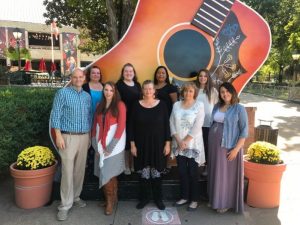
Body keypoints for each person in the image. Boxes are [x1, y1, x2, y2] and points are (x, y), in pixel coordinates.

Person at [51, 68, 92, 221]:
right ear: (71, 78)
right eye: (75, 77)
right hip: (67, 137)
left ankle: (75, 197)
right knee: (67, 172)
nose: (78, 79)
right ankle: (65, 205)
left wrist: (89, 137)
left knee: (79, 170)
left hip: (84, 137)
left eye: (80, 77)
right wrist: (58, 135)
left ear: (84, 78)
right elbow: (56, 114)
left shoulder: (87, 96)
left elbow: (89, 116)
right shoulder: (62, 93)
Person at [129, 80, 170, 210]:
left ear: (154, 91)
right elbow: (130, 126)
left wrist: (167, 143)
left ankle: (158, 199)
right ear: (142, 90)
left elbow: (166, 126)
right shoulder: (136, 105)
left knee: (156, 172)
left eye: (150, 89)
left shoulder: (162, 105)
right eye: (145, 89)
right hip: (141, 145)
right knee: (144, 173)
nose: (148, 91)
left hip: (158, 144)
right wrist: (132, 144)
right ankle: (144, 198)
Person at [208, 82, 248, 213]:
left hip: (229, 146)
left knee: (226, 175)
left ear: (232, 92)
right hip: (214, 146)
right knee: (215, 172)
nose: (225, 94)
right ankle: (215, 200)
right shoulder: (217, 106)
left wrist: (236, 150)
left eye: (227, 91)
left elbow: (244, 131)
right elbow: (214, 123)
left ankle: (225, 203)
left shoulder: (239, 108)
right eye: (222, 92)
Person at [92, 82, 126, 215]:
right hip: (100, 145)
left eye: (111, 90)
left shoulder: (120, 105)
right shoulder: (99, 105)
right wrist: (95, 145)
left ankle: (110, 203)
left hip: (115, 146)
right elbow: (94, 126)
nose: (108, 92)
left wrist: (111, 147)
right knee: (107, 174)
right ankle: (112, 198)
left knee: (107, 174)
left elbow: (121, 127)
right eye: (106, 90)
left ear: (114, 92)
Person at [170, 82, 205, 211]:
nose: (188, 93)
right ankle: (184, 197)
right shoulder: (176, 105)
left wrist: (185, 141)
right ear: (182, 92)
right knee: (182, 172)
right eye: (185, 91)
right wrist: (179, 141)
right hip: (179, 144)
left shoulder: (199, 105)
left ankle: (194, 200)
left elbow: (198, 125)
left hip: (193, 145)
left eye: (190, 91)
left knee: (193, 172)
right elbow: (171, 122)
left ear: (194, 93)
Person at [116, 63, 141, 175]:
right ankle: (126, 165)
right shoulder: (119, 85)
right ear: (122, 73)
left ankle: (133, 164)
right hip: (124, 118)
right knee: (126, 144)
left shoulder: (137, 85)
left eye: (131, 71)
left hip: (136, 118)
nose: (128, 73)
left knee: (134, 142)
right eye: (126, 71)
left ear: (134, 73)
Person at [195, 69, 218, 176]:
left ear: (208, 78)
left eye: (205, 76)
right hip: (196, 124)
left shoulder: (213, 91)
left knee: (207, 147)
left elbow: (218, 107)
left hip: (208, 124)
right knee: (197, 146)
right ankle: (196, 167)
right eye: (200, 76)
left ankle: (207, 168)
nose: (202, 78)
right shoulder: (194, 90)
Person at [82, 66, 103, 179]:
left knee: (98, 144)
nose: (96, 75)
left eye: (98, 73)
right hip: (88, 119)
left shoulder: (104, 87)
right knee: (88, 144)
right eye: (93, 73)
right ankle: (88, 169)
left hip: (100, 121)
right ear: (89, 75)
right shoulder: (85, 87)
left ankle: (97, 169)